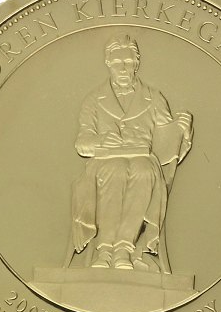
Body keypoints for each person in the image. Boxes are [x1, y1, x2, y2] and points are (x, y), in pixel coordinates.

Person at [70, 34, 193, 271]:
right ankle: (105, 249)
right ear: (108, 63)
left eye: (128, 62)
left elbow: (167, 144)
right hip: (104, 163)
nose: (123, 68)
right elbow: (81, 143)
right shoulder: (94, 100)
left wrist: (182, 130)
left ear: (137, 63)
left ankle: (124, 249)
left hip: (143, 160)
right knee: (116, 169)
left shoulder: (154, 98)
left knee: (143, 170)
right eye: (117, 63)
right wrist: (101, 140)